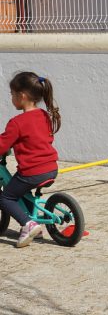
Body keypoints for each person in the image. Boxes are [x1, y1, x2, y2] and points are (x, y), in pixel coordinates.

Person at [0, 72, 61, 247]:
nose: (11, 98)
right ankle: (38, 228)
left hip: (32, 172)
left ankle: (28, 225)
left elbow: (3, 145)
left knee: (6, 198)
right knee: (22, 190)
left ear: (22, 96)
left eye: (12, 94)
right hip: (51, 167)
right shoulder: (43, 115)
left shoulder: (17, 122)